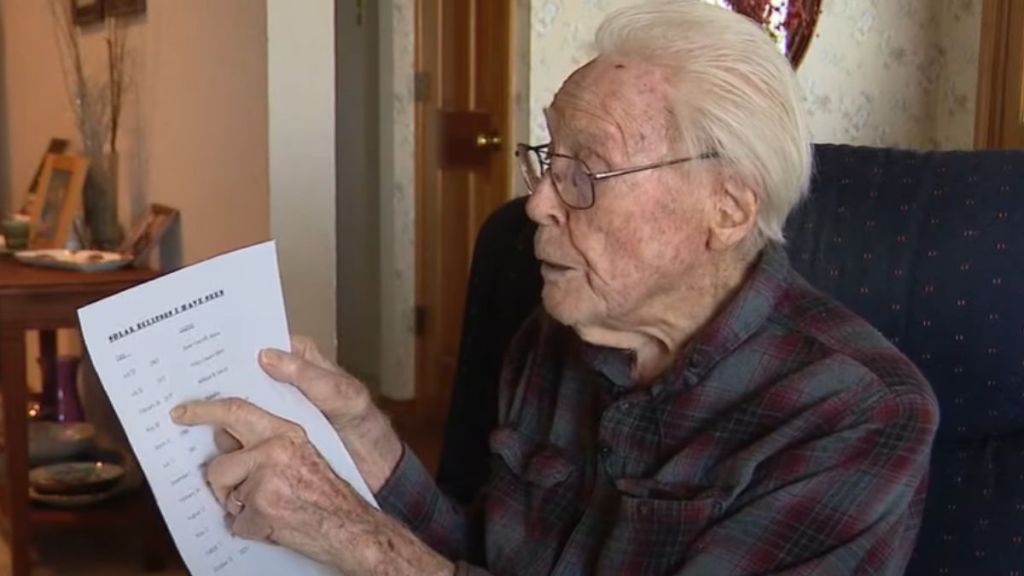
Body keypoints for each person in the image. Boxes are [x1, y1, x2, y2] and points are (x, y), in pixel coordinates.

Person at [170, 1, 939, 574]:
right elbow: (487, 557)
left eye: (586, 172)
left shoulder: (857, 416)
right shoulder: (559, 332)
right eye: (547, 159)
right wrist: (367, 436)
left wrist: (358, 538)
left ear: (727, 208)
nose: (537, 202)